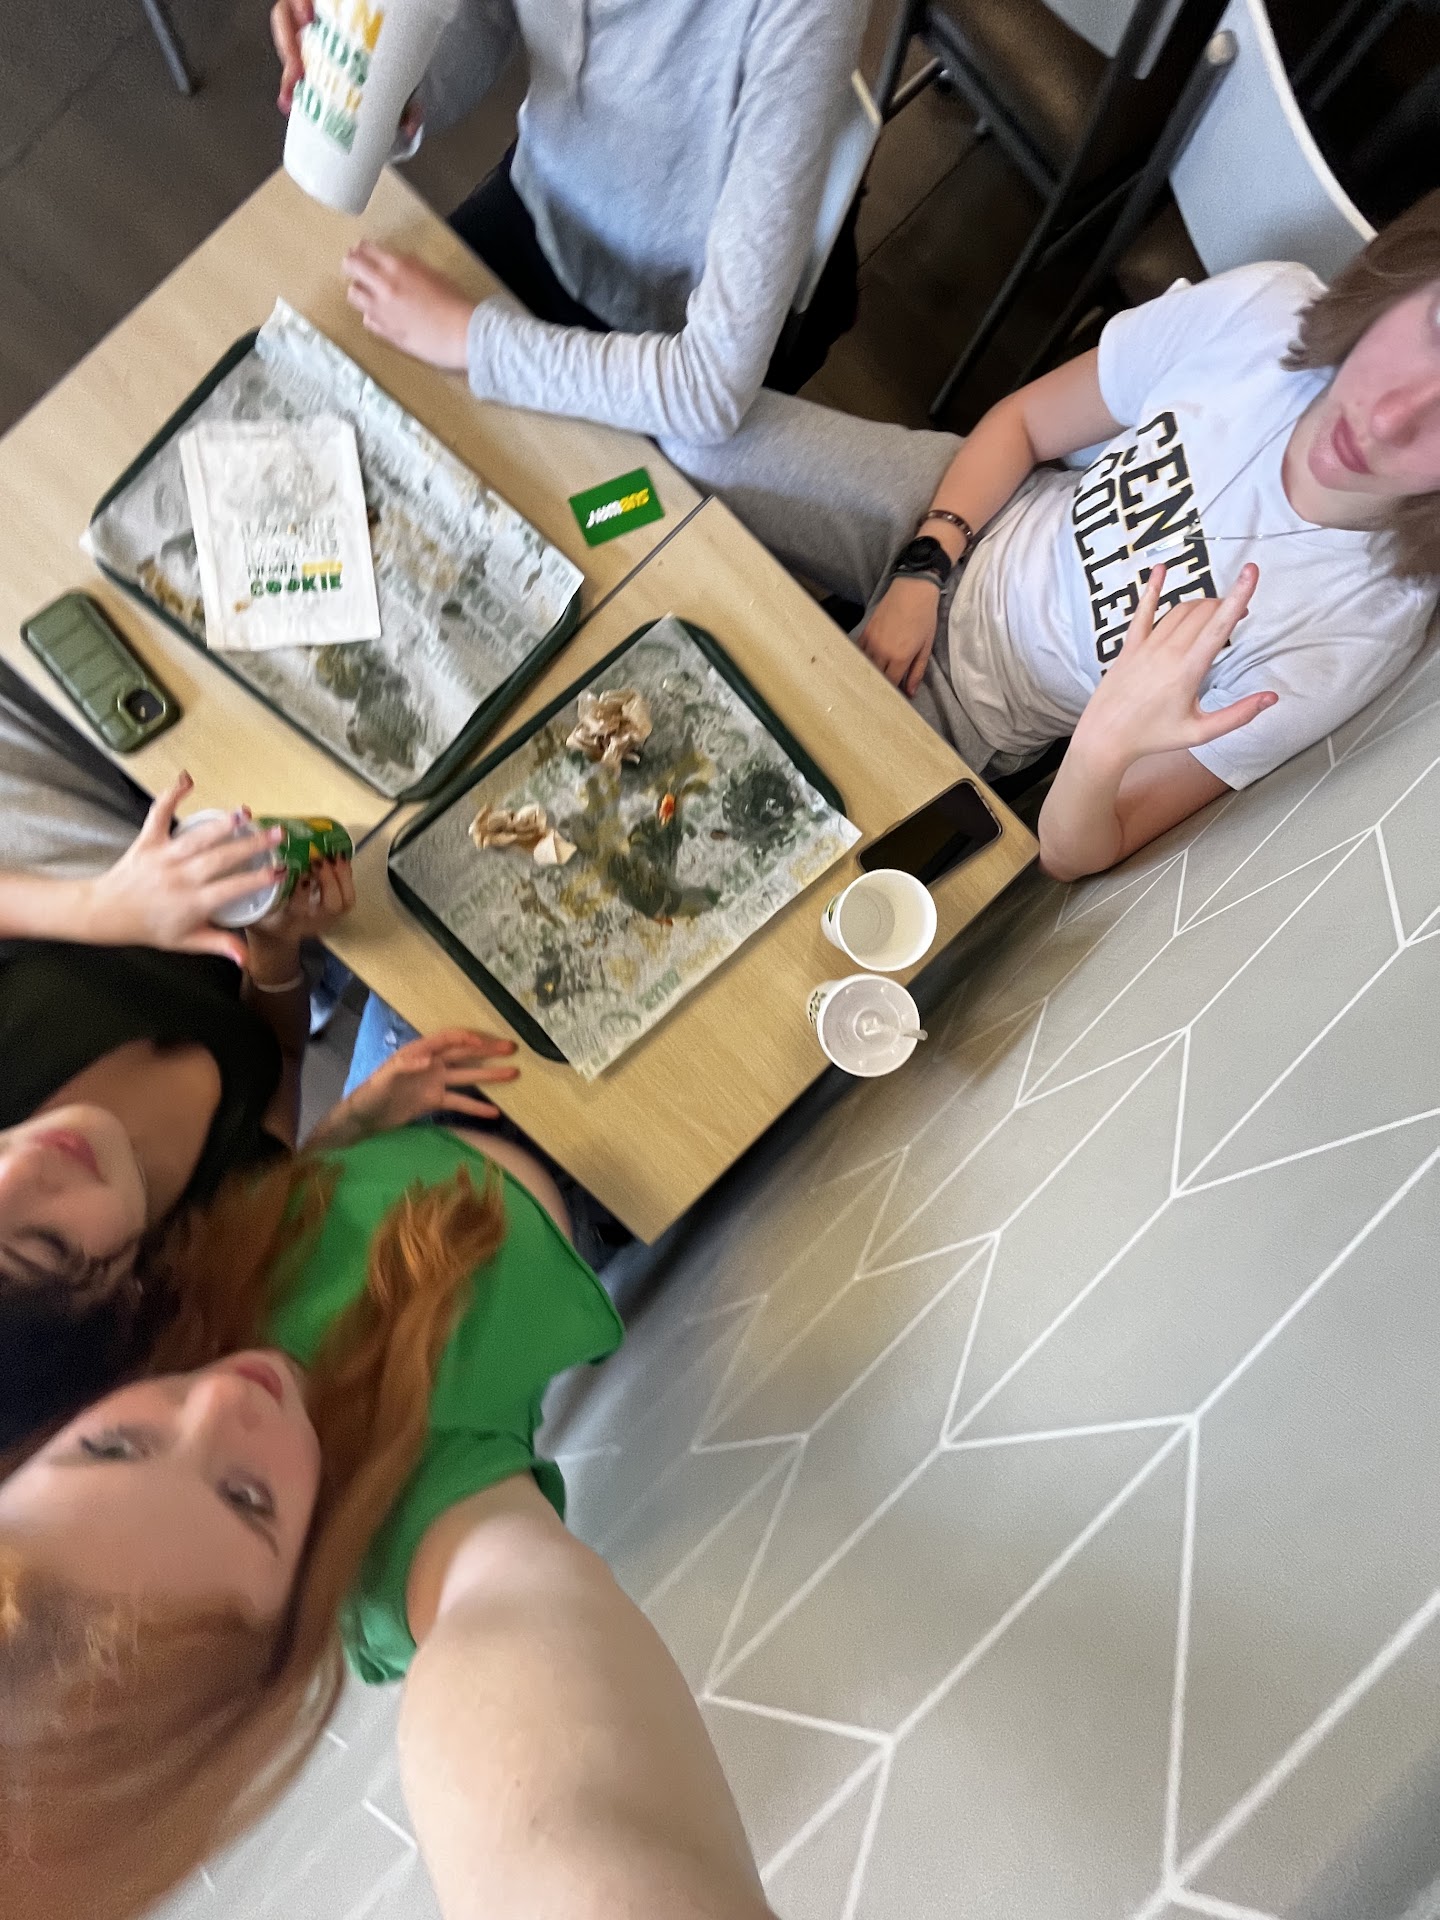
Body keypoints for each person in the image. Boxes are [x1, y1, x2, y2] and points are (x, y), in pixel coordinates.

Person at [0, 1122, 774, 1920]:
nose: (224, 1400)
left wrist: (353, 1123)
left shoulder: (114, 1345)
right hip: (592, 1134)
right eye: (246, 1497)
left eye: (112, 1448)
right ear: (285, 1633)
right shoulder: (415, 1531)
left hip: (399, 1093)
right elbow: (522, 1697)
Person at [661, 193, 1440, 880]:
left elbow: (1073, 855)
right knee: (684, 445)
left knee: (718, 820)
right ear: (1403, 279)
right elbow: (1025, 424)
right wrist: (924, 567)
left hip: (968, 708)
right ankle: (604, 519)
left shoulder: (1357, 631)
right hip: (961, 509)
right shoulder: (1265, 312)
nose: (1390, 420)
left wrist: (1104, 743)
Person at [0, 664, 518, 1445]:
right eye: (44, 1242)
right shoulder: (224, 1210)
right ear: (122, 1296)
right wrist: (276, 952)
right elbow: (274, 1047)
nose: (17, 1170)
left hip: (57, 866)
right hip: (207, 891)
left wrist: (100, 905)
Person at [269, 0, 869, 440]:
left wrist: (473, 341)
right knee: (330, 405)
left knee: (599, 525)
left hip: (676, 333)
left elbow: (712, 385)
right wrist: (378, 76)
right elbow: (484, 19)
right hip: (541, 208)